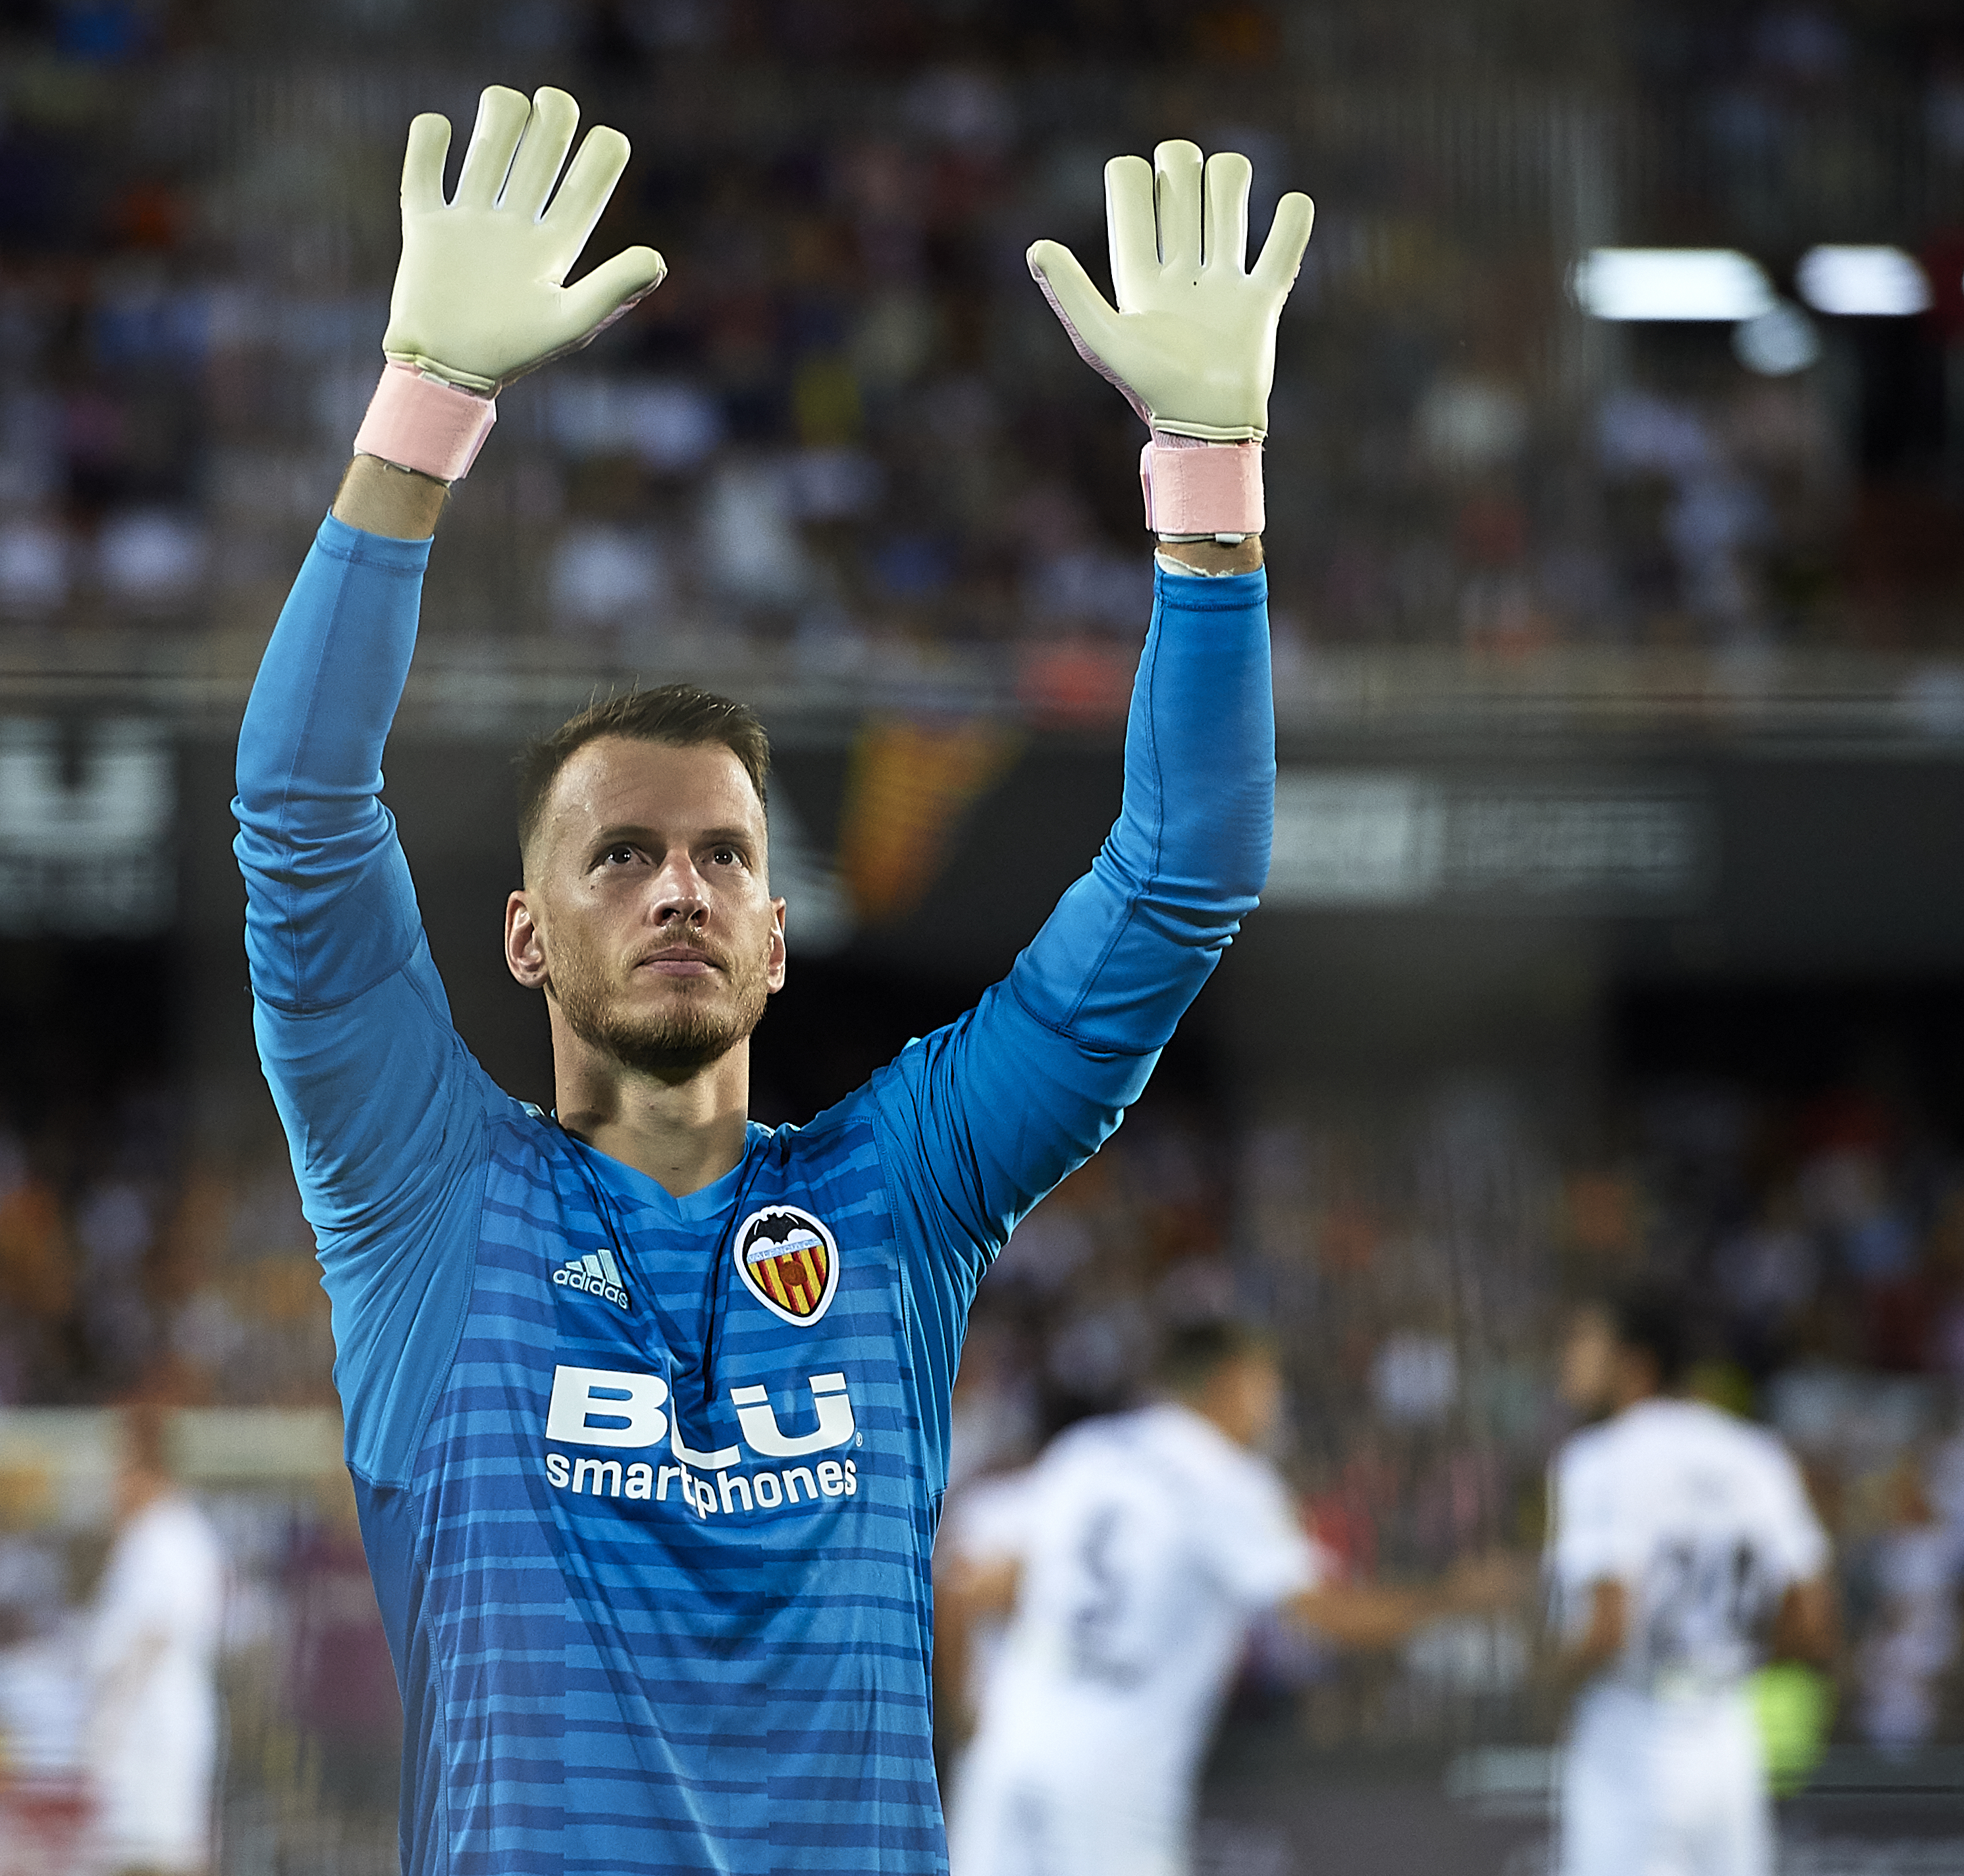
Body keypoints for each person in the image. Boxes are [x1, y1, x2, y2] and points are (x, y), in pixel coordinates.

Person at [231, 80, 1310, 1875]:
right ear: (524, 935)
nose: (680, 889)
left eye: (726, 856)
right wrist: (424, 408)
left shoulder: (906, 1185)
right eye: (622, 854)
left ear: (779, 930)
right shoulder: (427, 1189)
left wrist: (1208, 479)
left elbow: (1188, 867)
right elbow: (295, 804)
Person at [947, 1320, 1512, 1876]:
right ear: (1230, 1382)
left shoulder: (1089, 1451)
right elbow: (1329, 1615)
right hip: (1113, 1773)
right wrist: (1453, 1598)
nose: (1273, 1406)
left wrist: (969, 1713)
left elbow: (972, 1584)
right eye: (1266, 1385)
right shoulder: (1226, 1481)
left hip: (1009, 1742)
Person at [1549, 1285, 1836, 1876]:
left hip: (1631, 1725)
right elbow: (1813, 1622)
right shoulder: (1755, 1452)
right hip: (1730, 1730)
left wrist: (1547, 1684)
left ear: (1635, 1362)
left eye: (1582, 1340)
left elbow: (1608, 1626)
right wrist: (1724, 1654)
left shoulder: (1599, 1458)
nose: (1566, 1357)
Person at [82, 1404, 227, 1876]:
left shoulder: (171, 1534)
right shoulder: (148, 1534)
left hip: (157, 1723)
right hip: (144, 1723)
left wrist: (115, 1715)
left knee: (167, 1856)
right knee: (134, 1856)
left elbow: (155, 1633)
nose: (112, 1485)